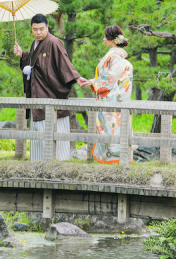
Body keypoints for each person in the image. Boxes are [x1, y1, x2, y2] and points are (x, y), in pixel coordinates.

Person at [13, 14, 90, 161]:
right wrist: (22, 54)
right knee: (38, 133)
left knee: (52, 132)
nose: (38, 32)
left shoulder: (54, 42)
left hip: (50, 94)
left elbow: (64, 62)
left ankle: (56, 162)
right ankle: (38, 163)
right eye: (35, 29)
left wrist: (76, 78)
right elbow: (35, 62)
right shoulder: (35, 44)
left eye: (41, 29)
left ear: (47, 27)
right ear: (31, 29)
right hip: (37, 94)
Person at [89, 26, 134, 164]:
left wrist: (94, 83)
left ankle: (115, 158)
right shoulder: (116, 56)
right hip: (117, 97)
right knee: (115, 127)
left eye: (105, 36)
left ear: (111, 39)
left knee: (112, 127)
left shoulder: (114, 57)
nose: (103, 39)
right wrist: (94, 81)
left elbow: (110, 78)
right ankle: (114, 158)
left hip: (112, 98)